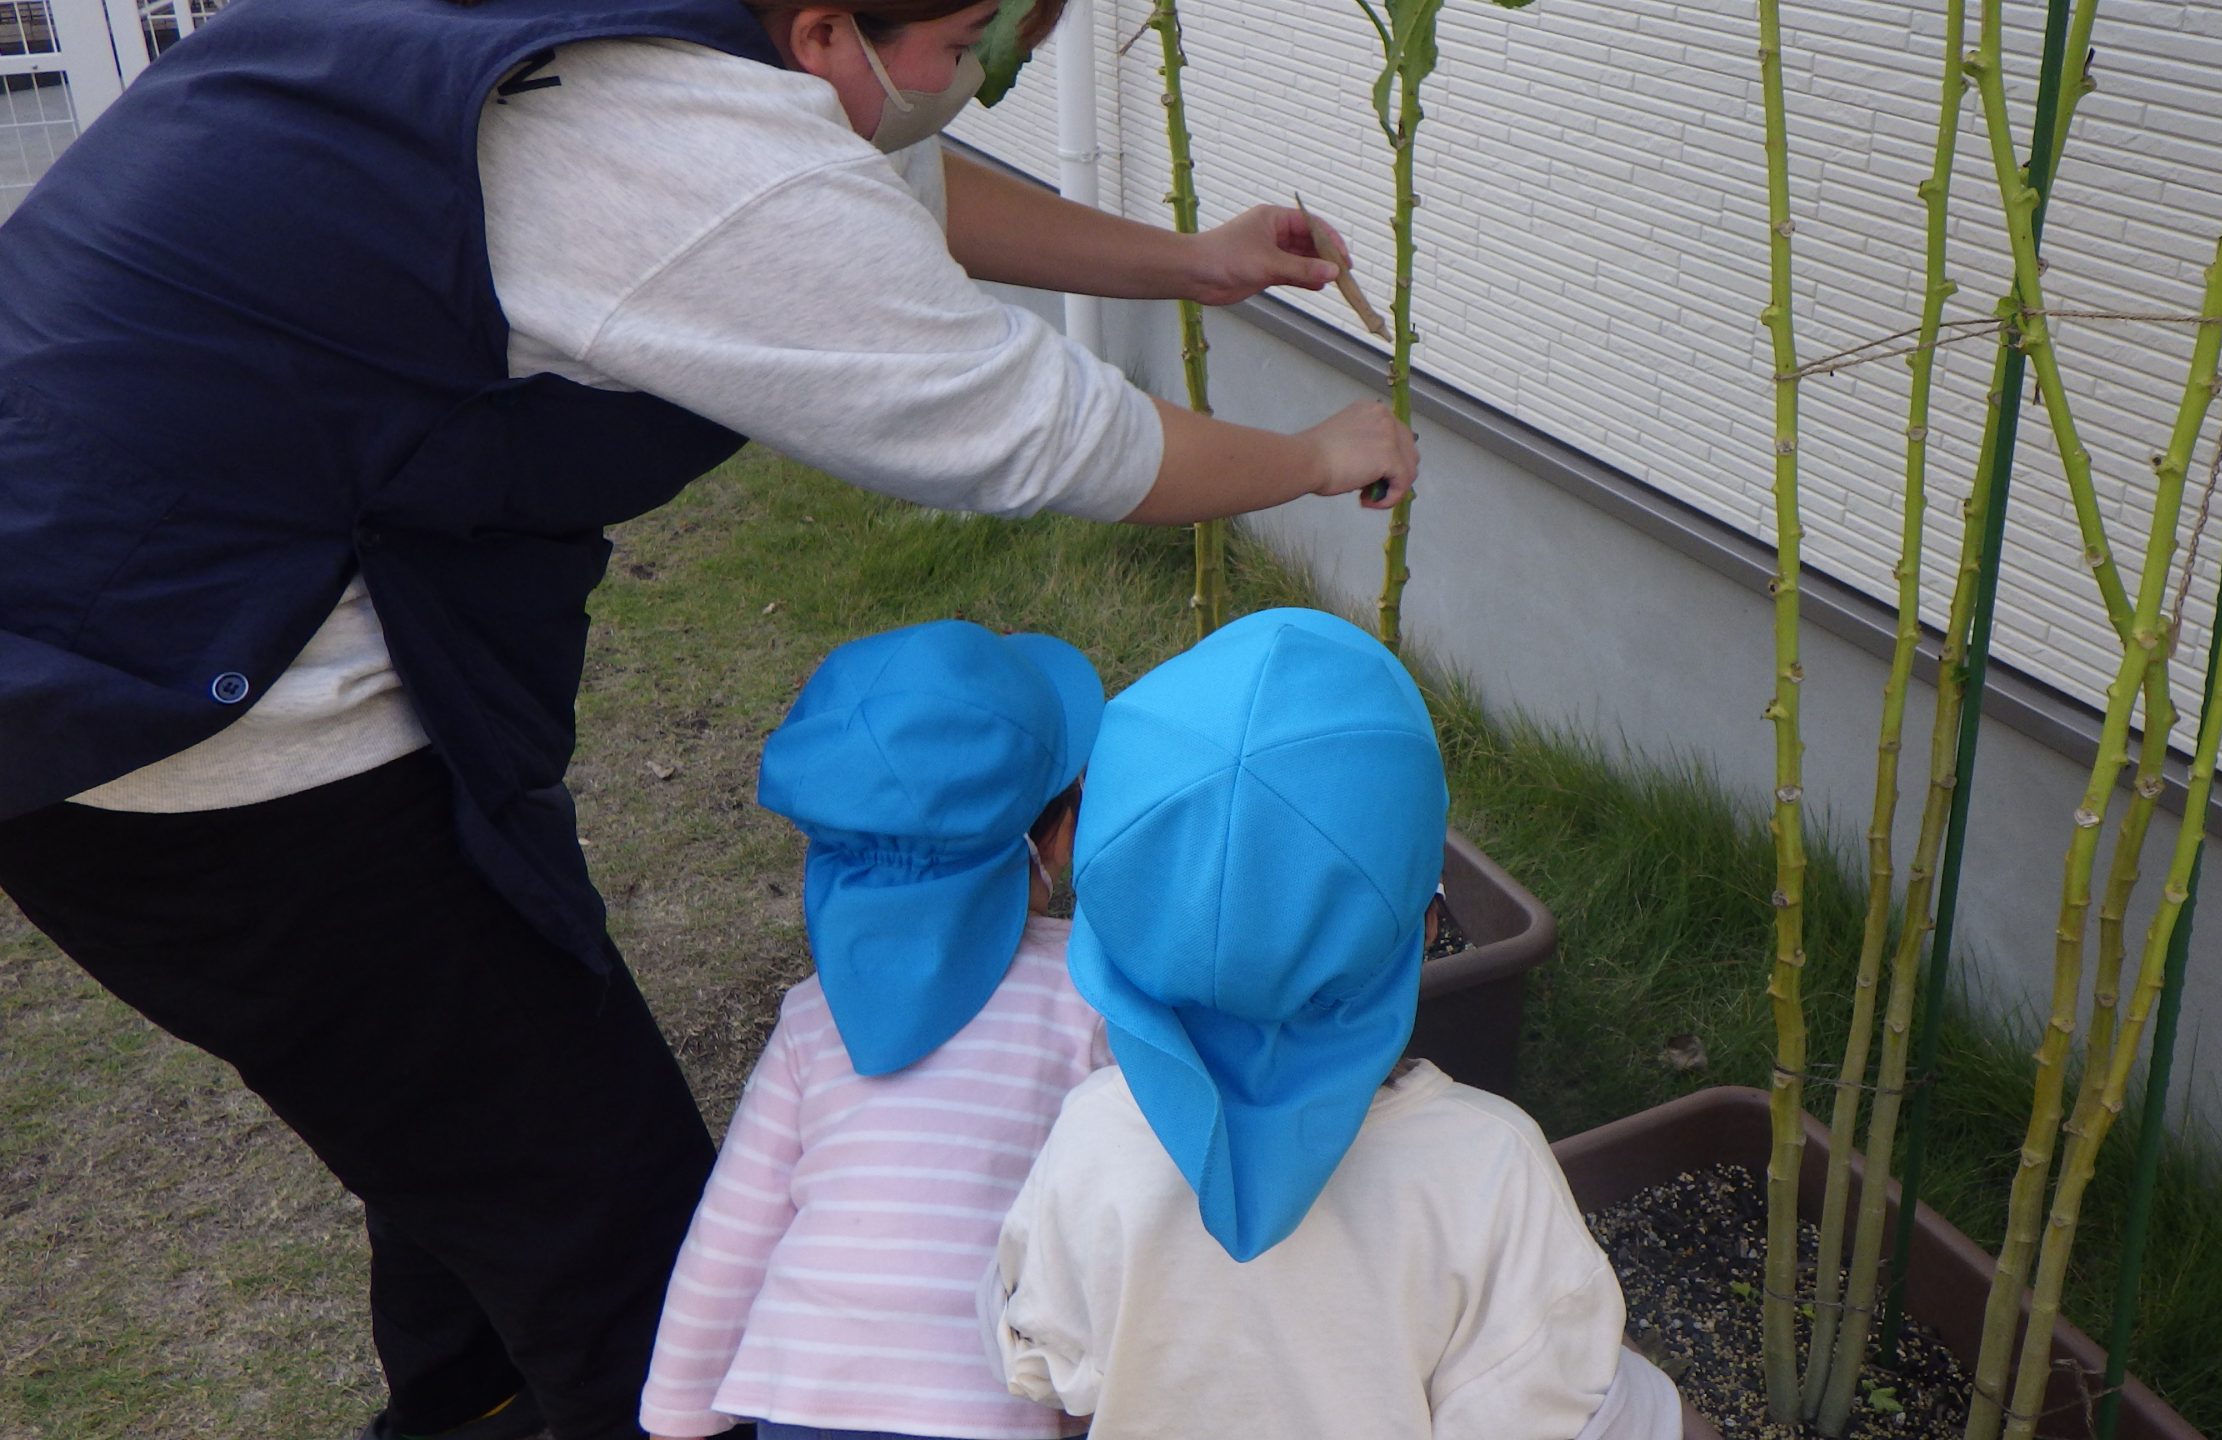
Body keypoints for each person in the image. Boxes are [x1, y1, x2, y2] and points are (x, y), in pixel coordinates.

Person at [0, 0, 1417, 1436]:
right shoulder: (662, 138)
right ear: (817, 32)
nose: (990, 80)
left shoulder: (676, 52)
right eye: (977, 40)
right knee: (609, 1235)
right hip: (191, 710)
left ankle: (462, 1402)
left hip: (135, 612)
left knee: (452, 1118)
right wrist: (1310, 455)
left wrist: (1194, 263)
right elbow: (1037, 428)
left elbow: (879, 187)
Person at [981, 609, 1682, 1440]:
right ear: (1425, 930)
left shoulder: (1092, 1137)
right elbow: (1567, 1417)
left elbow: (1039, 1361)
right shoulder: (1493, 1169)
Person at [640, 619, 1107, 1440]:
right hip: (989, 1404)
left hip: (804, 1396)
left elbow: (732, 1237)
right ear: (1060, 836)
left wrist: (678, 1414)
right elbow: (1119, 1210)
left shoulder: (810, 1022)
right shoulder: (1089, 990)